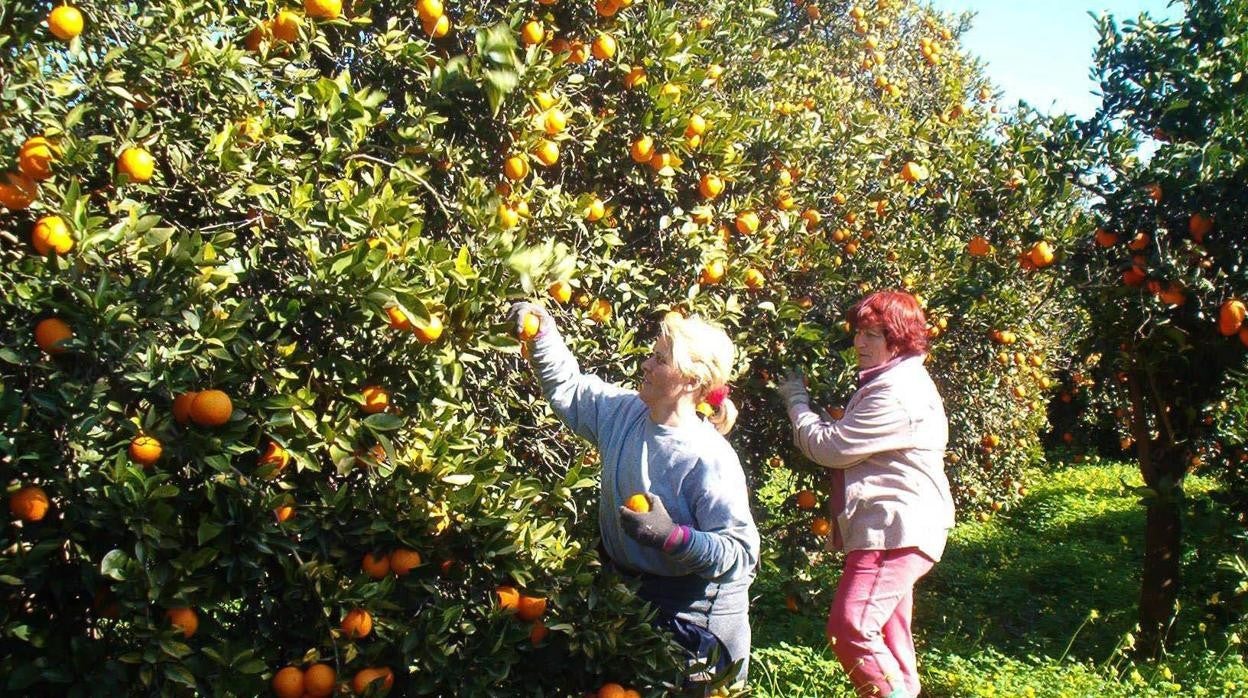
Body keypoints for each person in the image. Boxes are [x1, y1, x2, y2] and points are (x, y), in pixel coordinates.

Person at [510, 301, 760, 684]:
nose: (645, 365)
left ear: (691, 381)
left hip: (693, 619)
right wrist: (542, 333)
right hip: (629, 596)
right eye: (650, 355)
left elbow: (740, 556)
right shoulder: (625, 415)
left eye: (659, 359)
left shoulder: (708, 458)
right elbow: (571, 390)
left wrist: (674, 538)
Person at [776, 290, 954, 698]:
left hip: (894, 527)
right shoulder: (892, 382)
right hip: (898, 526)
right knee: (891, 637)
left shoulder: (896, 392)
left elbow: (832, 448)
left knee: (851, 626)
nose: (860, 343)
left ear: (901, 340)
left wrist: (796, 402)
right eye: (859, 332)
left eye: (874, 335)